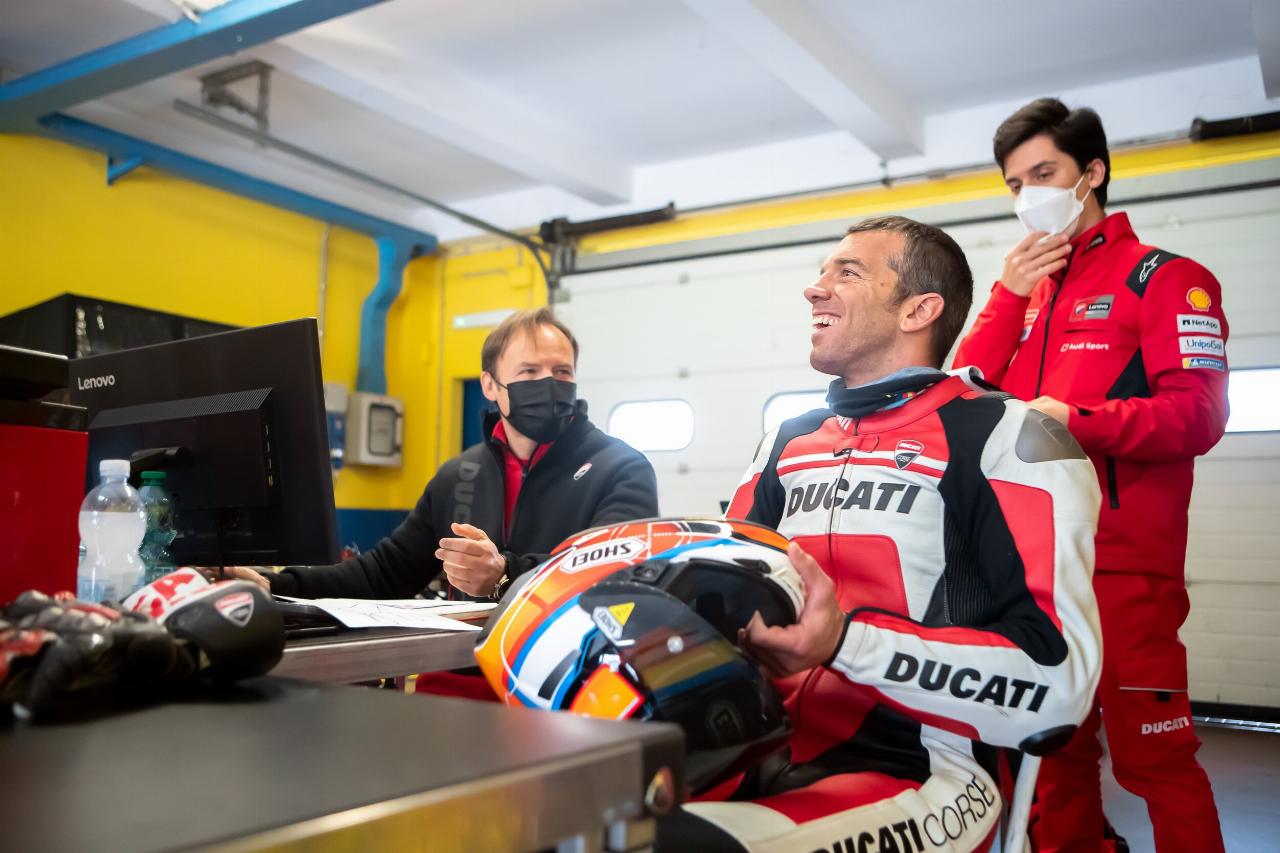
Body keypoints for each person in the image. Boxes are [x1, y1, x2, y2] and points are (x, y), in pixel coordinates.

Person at [656, 216, 1102, 852]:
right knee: (574, 816)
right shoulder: (787, 439)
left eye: (848, 273)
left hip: (925, 772)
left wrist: (845, 643)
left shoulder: (1011, 436)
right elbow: (732, 589)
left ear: (919, 310)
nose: (815, 288)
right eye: (822, 272)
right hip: (751, 741)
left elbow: (1060, 685)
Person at [953, 98, 1229, 852]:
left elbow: (1198, 415)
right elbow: (963, 392)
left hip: (1125, 569)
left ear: (1093, 173)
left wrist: (1078, 419)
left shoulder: (1166, 278)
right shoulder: (1032, 295)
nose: (1028, 194)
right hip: (1032, 572)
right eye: (1015, 184)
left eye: (1044, 173)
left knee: (1156, 762)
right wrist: (1008, 295)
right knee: (1054, 756)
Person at [224, 308, 658, 602]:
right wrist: (276, 586)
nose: (549, 383)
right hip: (455, 675)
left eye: (562, 371)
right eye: (529, 371)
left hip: (556, 682)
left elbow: (610, 574)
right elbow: (386, 572)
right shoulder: (460, 474)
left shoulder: (621, 468)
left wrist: (504, 574)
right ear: (490, 386)